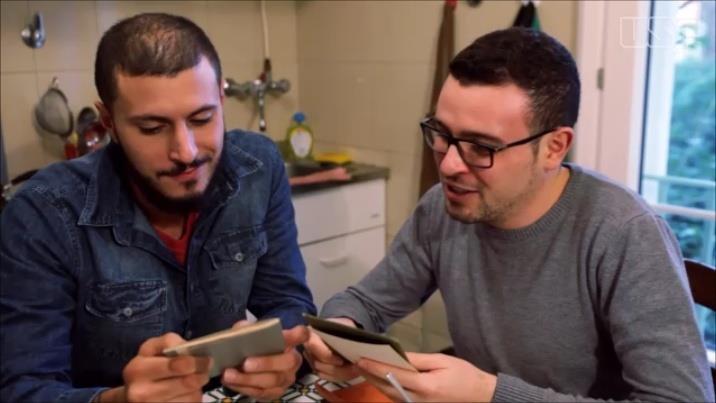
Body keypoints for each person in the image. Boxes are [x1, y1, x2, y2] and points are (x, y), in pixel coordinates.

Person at [303, 27, 715, 402]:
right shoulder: (442, 208)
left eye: (482, 147)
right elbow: (366, 301)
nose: (448, 165)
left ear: (555, 147)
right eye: (442, 135)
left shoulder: (624, 233)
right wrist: (342, 328)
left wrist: (490, 394)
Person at [0, 13, 315, 403]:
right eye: (152, 128)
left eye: (202, 118)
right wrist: (119, 400)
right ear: (109, 122)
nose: (186, 152)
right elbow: (22, 389)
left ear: (220, 96)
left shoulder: (259, 167)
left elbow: (288, 303)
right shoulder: (43, 213)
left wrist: (286, 355)